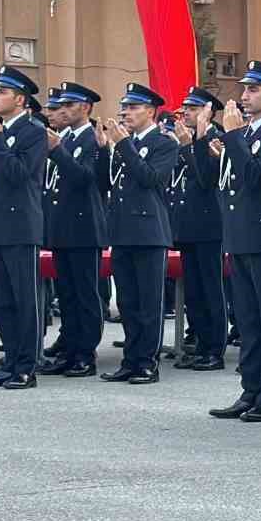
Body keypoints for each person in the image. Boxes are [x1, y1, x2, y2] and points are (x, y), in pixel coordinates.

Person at [206, 61, 261, 423]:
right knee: (248, 319)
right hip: (241, 235)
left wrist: (232, 138)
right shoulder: (242, 135)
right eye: (244, 89)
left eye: (253, 89)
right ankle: (250, 388)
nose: (244, 96)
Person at [0, 66, 47, 389]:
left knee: (23, 299)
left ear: (20, 99)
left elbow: (19, 174)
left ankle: (26, 366)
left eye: (2, 92)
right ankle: (10, 362)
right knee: (1, 301)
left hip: (20, 227)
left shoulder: (33, 131)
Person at [96, 83, 177, 385]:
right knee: (128, 303)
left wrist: (124, 146)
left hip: (148, 232)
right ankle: (130, 360)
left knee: (148, 303)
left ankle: (147, 362)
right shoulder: (122, 143)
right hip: (122, 231)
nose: (125, 112)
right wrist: (107, 150)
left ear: (151, 111)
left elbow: (151, 178)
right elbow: (109, 183)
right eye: (124, 107)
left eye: (133, 107)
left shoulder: (163, 142)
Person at [36, 81, 106, 378]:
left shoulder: (92, 138)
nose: (62, 110)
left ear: (86, 108)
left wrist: (58, 151)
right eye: (60, 105)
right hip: (62, 227)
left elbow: (86, 178)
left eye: (69, 105)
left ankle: (85, 354)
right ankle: (69, 349)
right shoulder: (62, 137)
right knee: (66, 294)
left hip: (84, 229)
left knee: (85, 294)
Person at [170, 87, 228, 371]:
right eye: (185, 108)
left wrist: (187, 146)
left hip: (210, 225)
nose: (185, 114)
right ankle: (200, 342)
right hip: (189, 225)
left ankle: (214, 348)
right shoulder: (189, 138)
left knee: (211, 289)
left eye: (192, 109)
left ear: (208, 111)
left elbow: (205, 179)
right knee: (194, 290)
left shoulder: (215, 138)